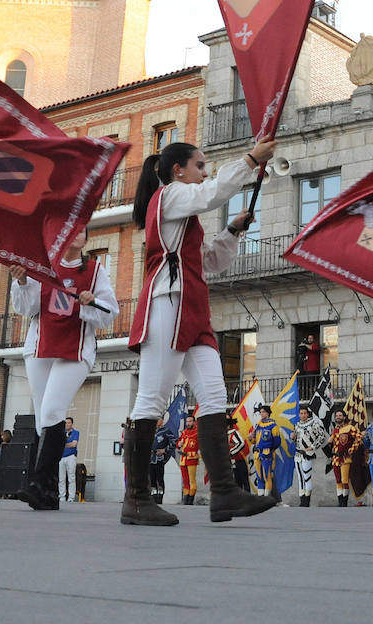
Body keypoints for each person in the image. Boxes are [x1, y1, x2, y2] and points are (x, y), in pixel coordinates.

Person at [123, 137, 277, 526]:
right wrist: (248, 160)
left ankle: (224, 493)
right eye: (200, 165)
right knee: (151, 401)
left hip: (191, 307)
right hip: (169, 303)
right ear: (179, 171)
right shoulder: (171, 195)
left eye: (206, 166)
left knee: (213, 395)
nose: (204, 172)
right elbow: (213, 193)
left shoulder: (182, 214)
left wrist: (231, 231)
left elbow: (209, 261)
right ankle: (136, 499)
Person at [8, 225, 116, 511]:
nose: (77, 233)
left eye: (83, 230)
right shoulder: (40, 267)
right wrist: (21, 282)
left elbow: (109, 314)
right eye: (71, 229)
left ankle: (37, 482)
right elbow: (27, 309)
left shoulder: (94, 271)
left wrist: (92, 303)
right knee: (45, 419)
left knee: (53, 410)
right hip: (39, 347)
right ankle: (49, 494)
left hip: (75, 350)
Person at [293, 403, 327, 507]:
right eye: (301, 413)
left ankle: (306, 501)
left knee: (307, 477)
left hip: (307, 453)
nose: (303, 415)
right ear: (299, 415)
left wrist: (313, 447)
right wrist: (293, 437)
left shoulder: (313, 423)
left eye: (304, 413)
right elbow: (297, 441)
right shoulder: (297, 425)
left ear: (308, 414)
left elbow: (322, 437)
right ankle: (302, 500)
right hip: (298, 453)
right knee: (300, 478)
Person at [330, 409, 360, 507]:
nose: (338, 417)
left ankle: (344, 502)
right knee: (338, 480)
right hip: (335, 458)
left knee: (344, 480)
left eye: (340, 415)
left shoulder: (350, 428)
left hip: (345, 458)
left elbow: (359, 438)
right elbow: (330, 442)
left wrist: (352, 449)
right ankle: (340, 502)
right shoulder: (335, 429)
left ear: (344, 417)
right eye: (337, 415)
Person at [251, 403, 282, 499]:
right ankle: (260, 497)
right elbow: (254, 440)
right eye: (260, 412)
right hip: (257, 453)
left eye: (263, 412)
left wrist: (270, 449)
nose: (261, 414)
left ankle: (267, 497)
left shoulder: (273, 425)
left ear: (268, 413)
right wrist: (251, 438)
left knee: (267, 475)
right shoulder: (258, 425)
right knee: (259, 475)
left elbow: (277, 441)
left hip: (267, 453)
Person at [175, 412, 200, 505]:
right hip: (183, 459)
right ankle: (185, 499)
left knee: (192, 480)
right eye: (187, 421)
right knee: (185, 481)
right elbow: (178, 444)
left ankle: (191, 499)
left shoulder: (198, 432)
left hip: (192, 458)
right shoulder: (184, 432)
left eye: (190, 421)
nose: (188, 423)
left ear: (194, 422)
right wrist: (179, 444)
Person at [150, 417, 175, 506]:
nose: (156, 421)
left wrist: (165, 450)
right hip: (151, 458)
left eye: (158, 420)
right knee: (151, 479)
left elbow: (173, 442)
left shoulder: (166, 431)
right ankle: (153, 498)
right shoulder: (151, 430)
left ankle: (160, 499)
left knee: (159, 479)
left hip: (160, 458)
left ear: (162, 421)